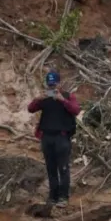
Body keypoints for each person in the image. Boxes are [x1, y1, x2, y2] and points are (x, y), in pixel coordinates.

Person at [27, 70, 81, 208]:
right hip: (47, 137)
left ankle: (63, 197)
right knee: (51, 169)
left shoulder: (68, 96)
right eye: (50, 85)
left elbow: (76, 110)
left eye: (54, 85)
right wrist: (37, 99)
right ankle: (53, 196)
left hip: (62, 137)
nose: (52, 88)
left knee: (63, 168)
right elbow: (30, 109)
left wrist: (63, 100)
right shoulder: (45, 98)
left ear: (59, 83)